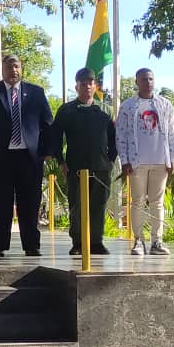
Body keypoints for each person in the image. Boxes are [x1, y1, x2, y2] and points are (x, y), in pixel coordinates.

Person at [0, 55, 53, 257]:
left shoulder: (36, 92)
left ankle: (31, 245)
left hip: (29, 158)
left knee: (30, 202)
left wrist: (46, 151)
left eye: (16, 66)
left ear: (21, 68)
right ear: (3, 69)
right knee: (1, 203)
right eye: (9, 67)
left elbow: (48, 124)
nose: (13, 70)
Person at [53, 67, 118, 256]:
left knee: (98, 205)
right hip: (75, 166)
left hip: (101, 167)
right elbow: (56, 137)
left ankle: (96, 242)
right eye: (83, 84)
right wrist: (60, 161)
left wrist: (111, 160)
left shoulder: (106, 110)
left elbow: (115, 138)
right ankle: (78, 242)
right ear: (77, 86)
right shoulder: (66, 110)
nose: (87, 87)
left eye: (90, 83)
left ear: (95, 86)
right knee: (77, 205)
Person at [115, 68, 174, 256]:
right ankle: (138, 241)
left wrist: (172, 158)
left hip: (161, 161)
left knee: (157, 203)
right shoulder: (128, 106)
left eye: (151, 79)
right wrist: (125, 160)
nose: (148, 82)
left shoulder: (165, 104)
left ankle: (157, 241)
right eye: (144, 79)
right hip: (137, 163)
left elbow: (173, 134)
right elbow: (121, 134)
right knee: (137, 202)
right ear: (137, 82)